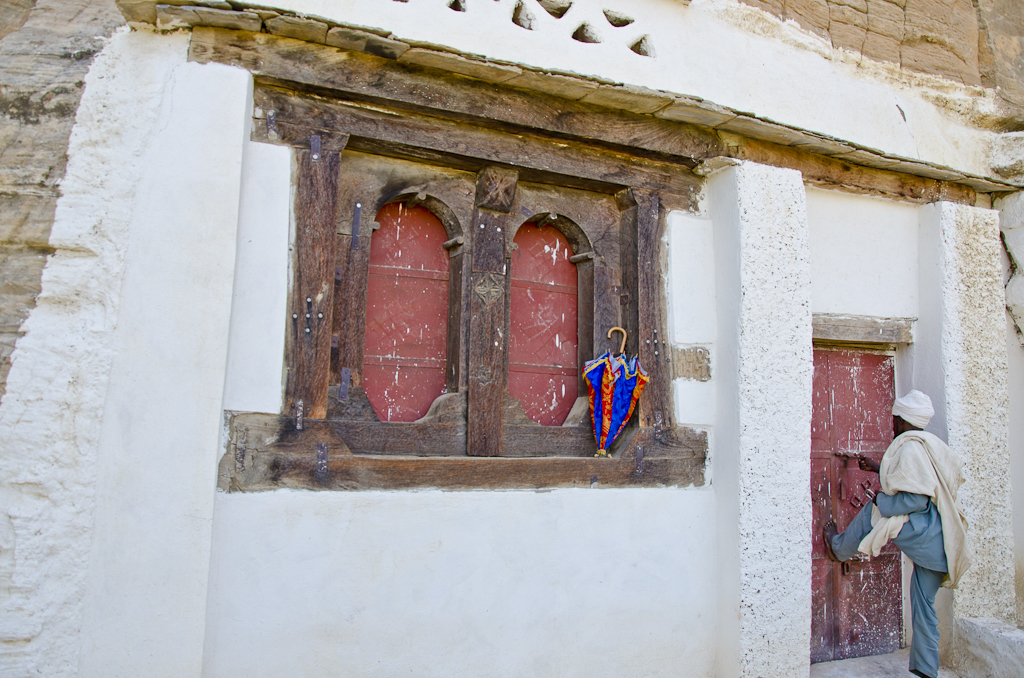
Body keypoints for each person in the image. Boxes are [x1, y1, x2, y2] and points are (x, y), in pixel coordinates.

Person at [822, 390, 970, 678]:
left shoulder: (911, 448)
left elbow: (916, 500)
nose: (892, 424)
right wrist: (879, 469)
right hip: (940, 548)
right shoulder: (926, 444)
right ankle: (927, 671)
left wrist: (880, 500)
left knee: (875, 510)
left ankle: (839, 547)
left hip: (925, 537)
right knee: (924, 608)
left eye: (895, 418)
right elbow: (914, 480)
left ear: (903, 420)